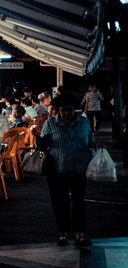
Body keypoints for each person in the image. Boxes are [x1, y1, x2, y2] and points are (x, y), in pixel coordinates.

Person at [33, 94, 96, 247]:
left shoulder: (84, 121)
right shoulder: (50, 123)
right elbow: (42, 145)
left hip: (80, 169)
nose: (67, 113)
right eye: (63, 111)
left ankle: (79, 235)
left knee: (79, 202)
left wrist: (96, 146)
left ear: (75, 110)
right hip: (57, 170)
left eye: (70, 110)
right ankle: (62, 234)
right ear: (57, 111)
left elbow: (90, 140)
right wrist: (37, 137)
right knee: (59, 202)